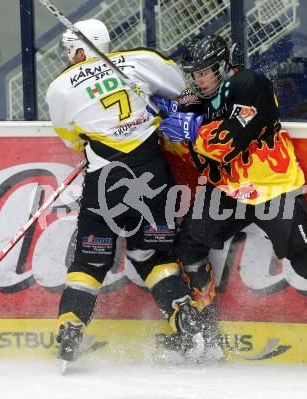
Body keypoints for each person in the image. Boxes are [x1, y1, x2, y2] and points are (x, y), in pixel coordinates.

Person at [153, 34, 307, 364]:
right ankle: (206, 336)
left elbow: (227, 143)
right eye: (194, 74)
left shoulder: (251, 86)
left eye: (205, 72)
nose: (199, 80)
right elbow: (184, 131)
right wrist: (161, 116)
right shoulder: (197, 98)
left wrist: (191, 128)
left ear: (222, 66)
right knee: (189, 247)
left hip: (272, 187)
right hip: (226, 190)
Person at [46, 19, 213, 366]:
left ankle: (71, 326)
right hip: (153, 173)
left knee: (90, 261)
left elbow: (70, 139)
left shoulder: (60, 86)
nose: (70, 58)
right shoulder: (141, 59)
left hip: (106, 181)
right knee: (152, 256)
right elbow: (185, 90)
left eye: (70, 52)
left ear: (78, 50)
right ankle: (182, 313)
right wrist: (162, 110)